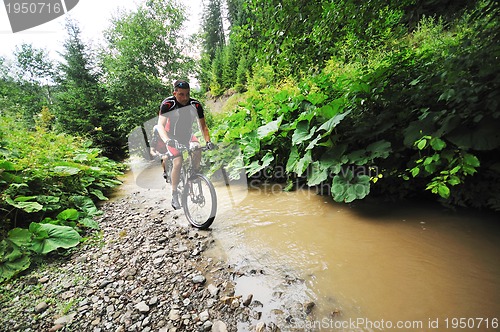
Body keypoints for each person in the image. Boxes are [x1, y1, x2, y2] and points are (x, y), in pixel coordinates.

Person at [157, 80, 214, 209]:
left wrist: (208, 141)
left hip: (187, 136)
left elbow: (203, 126)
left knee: (198, 148)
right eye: (181, 94)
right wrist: (167, 140)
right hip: (171, 137)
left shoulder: (196, 105)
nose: (185, 98)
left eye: (187, 94)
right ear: (175, 93)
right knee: (178, 161)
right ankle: (174, 193)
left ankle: (194, 174)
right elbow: (160, 125)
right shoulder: (168, 104)